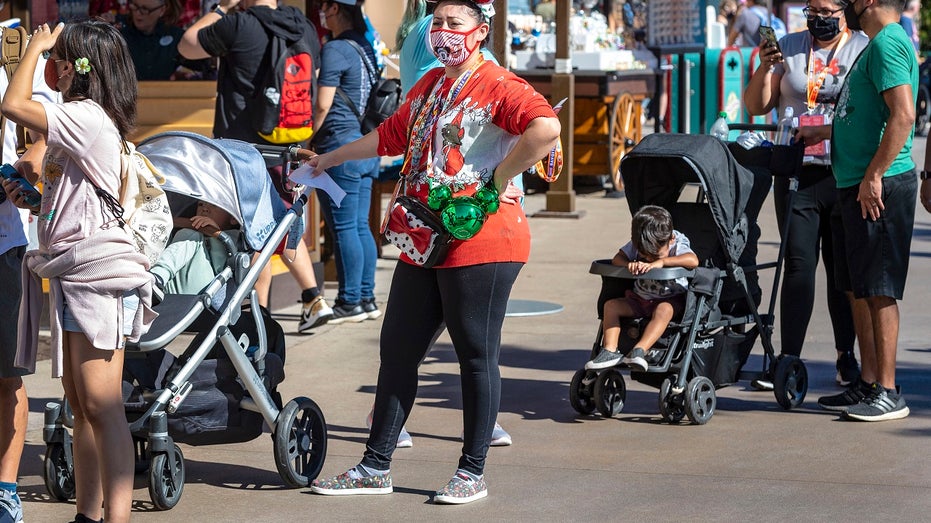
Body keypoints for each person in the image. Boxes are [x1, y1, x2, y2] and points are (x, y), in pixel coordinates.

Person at [308, 0, 560, 504]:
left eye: (455, 24)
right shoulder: (431, 84)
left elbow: (545, 127)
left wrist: (496, 178)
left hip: (483, 236)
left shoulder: (498, 85)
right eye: (438, 23)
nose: (444, 32)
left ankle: (471, 471)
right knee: (397, 349)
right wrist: (328, 158)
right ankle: (375, 465)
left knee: (474, 354)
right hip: (424, 237)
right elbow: (390, 135)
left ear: (481, 31)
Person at [2, 20, 156, 523]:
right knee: (81, 404)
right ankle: (88, 515)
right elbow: (73, 200)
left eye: (60, 59)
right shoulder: (83, 117)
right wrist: (33, 196)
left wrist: (34, 47)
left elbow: (14, 105)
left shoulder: (87, 116)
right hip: (74, 273)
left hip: (97, 276)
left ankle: (114, 517)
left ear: (74, 66)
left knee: (102, 404)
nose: (53, 66)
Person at [178, 0, 334, 332]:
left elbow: (188, 44)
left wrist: (221, 8)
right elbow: (314, 82)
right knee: (279, 227)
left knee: (255, 236)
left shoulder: (239, 24)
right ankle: (305, 299)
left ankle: (257, 322)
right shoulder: (303, 26)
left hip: (241, 150)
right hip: (286, 147)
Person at [797, 0, 918, 422]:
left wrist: (874, 175)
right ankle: (868, 383)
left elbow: (903, 115)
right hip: (857, 183)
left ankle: (887, 390)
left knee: (879, 289)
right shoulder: (876, 43)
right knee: (861, 288)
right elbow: (870, 114)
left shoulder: (887, 43)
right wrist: (829, 130)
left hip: (878, 186)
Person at [743, 0, 866, 389]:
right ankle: (788, 357)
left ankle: (846, 355)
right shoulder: (790, 45)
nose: (818, 18)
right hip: (796, 171)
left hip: (843, 171)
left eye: (827, 10)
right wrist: (765, 66)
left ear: (845, 11)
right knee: (797, 263)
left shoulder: (862, 47)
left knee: (840, 271)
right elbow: (757, 104)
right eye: (812, 8)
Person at [0, 30, 55, 523]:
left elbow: (49, 129)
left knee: (6, 376)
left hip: (4, 243)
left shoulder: (14, 52)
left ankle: (6, 488)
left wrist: (33, 159)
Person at [311, 0, 381, 324]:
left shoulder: (335, 49)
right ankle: (366, 297)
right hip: (365, 149)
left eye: (324, 6)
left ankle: (349, 301)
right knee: (359, 225)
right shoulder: (365, 47)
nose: (321, 12)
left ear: (336, 9)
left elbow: (322, 105)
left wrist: (304, 139)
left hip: (338, 148)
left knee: (343, 228)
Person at [584, 206, 698, 371]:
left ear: (670, 239)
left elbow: (693, 260)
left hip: (670, 299)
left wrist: (662, 262)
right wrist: (629, 264)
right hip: (639, 299)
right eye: (645, 256)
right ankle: (610, 350)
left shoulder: (676, 242)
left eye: (655, 256)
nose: (649, 259)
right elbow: (618, 259)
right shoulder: (638, 243)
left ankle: (639, 350)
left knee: (664, 310)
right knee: (611, 306)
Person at [150, 199, 239, 295]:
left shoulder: (234, 237)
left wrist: (215, 234)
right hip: (171, 285)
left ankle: (156, 276)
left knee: (190, 234)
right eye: (200, 204)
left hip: (207, 286)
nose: (205, 209)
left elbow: (220, 269)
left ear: (233, 218)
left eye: (214, 205)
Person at [118, 0, 209, 80]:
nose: (138, 13)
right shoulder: (119, 32)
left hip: (162, 95)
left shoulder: (175, 36)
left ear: (162, 10)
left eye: (145, 9)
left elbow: (204, 65)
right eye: (135, 6)